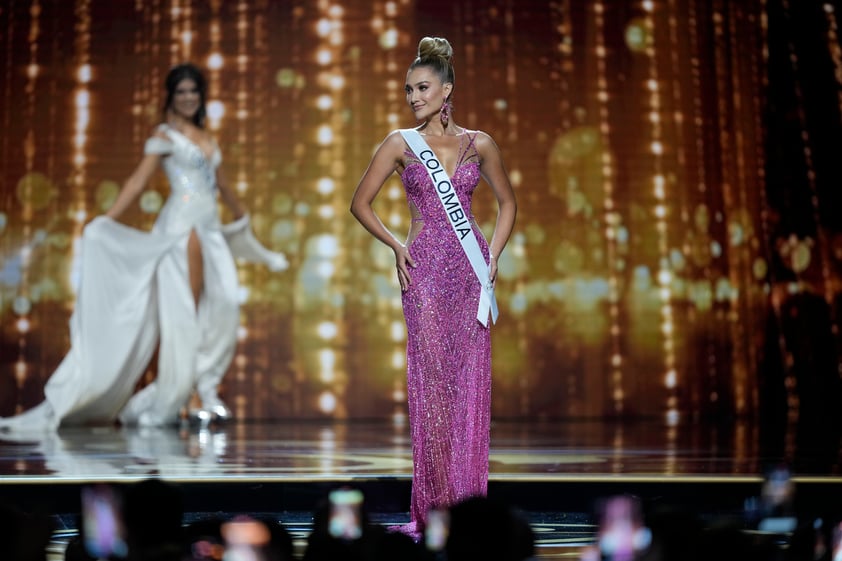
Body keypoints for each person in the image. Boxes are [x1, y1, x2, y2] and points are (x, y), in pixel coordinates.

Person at [0, 63, 286, 431]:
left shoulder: (206, 137)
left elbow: (224, 186)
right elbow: (137, 182)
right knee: (185, 313)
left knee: (226, 304)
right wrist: (107, 219)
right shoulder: (165, 136)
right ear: (171, 96)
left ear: (201, 96)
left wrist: (245, 224)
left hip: (211, 229)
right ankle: (190, 395)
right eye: (181, 91)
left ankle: (202, 385)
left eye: (193, 91)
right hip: (181, 229)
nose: (188, 97)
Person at [349, 36, 517, 537]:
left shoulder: (479, 143)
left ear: (448, 89)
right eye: (408, 90)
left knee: (468, 389)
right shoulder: (400, 142)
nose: (413, 97)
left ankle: (468, 507)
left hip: (469, 276)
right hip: (422, 274)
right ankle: (431, 509)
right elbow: (361, 203)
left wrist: (493, 259)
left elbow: (507, 203)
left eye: (422, 87)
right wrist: (396, 246)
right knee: (432, 391)